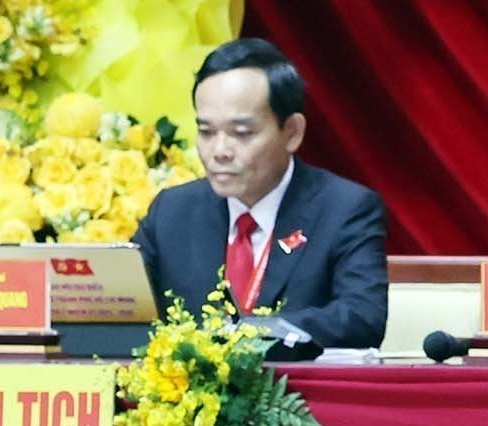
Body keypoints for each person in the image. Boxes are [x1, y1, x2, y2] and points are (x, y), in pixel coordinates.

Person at [133, 38, 389, 352]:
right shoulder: (172, 210)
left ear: (292, 132)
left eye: (241, 133)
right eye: (206, 132)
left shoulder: (345, 209)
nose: (220, 151)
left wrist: (250, 332)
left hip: (294, 383)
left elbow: (362, 318)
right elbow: (122, 311)